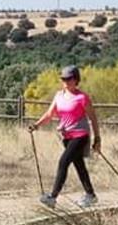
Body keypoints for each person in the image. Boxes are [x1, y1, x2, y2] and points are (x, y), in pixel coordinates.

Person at [28, 65, 101, 208]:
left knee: (63, 162)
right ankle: (90, 195)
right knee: (79, 165)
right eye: (64, 78)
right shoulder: (59, 96)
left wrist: (97, 139)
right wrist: (36, 125)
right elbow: (50, 114)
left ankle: (52, 197)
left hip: (80, 135)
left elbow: (93, 118)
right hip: (66, 136)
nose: (66, 81)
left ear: (76, 79)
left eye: (69, 78)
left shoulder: (82, 98)